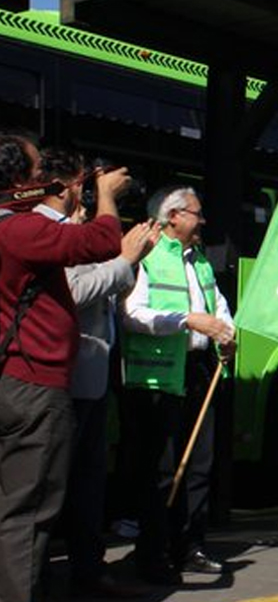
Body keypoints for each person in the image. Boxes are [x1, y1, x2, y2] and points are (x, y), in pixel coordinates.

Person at [0, 135, 127, 602]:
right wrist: (106, 195)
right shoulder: (21, 230)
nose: (44, 180)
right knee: (29, 512)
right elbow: (103, 240)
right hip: (33, 383)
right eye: (37, 172)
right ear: (19, 179)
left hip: (11, 378)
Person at [35, 150, 158, 598]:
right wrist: (122, 259)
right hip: (62, 379)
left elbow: (115, 288)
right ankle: (39, 578)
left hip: (92, 377)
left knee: (87, 485)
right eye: (86, 185)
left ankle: (88, 571)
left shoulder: (79, 230)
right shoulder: (48, 232)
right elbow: (74, 291)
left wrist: (133, 259)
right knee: (50, 488)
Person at [121, 186, 235, 584]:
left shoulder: (200, 261)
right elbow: (131, 314)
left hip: (198, 370)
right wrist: (186, 320)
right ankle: (153, 554)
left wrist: (227, 332)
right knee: (163, 470)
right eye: (196, 214)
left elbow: (218, 306)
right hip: (157, 376)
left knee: (199, 465)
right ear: (173, 217)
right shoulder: (148, 255)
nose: (203, 221)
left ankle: (191, 547)